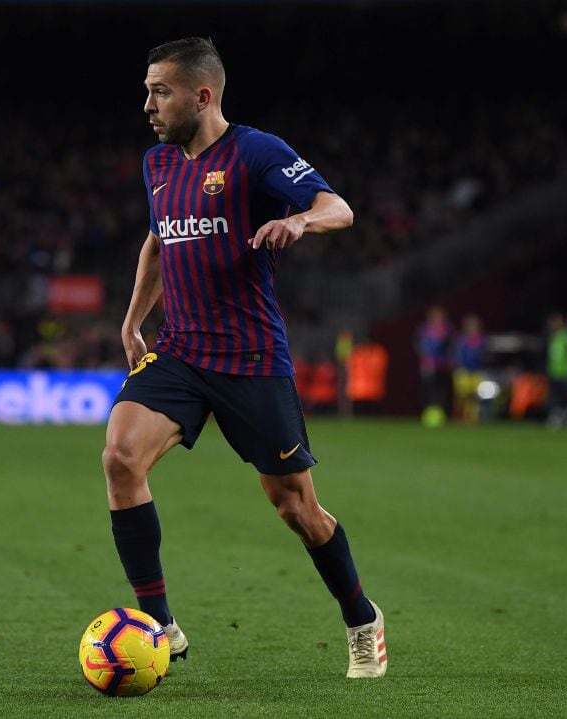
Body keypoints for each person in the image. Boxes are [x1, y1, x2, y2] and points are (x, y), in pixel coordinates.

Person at [101, 37, 386, 679]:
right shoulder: (158, 164)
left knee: (297, 510)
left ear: (202, 95)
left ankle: (361, 617)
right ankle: (161, 627)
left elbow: (336, 207)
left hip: (251, 360)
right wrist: (133, 322)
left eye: (160, 91)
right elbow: (158, 241)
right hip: (179, 352)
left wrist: (299, 224)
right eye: (147, 90)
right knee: (121, 455)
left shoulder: (256, 152)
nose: (147, 104)